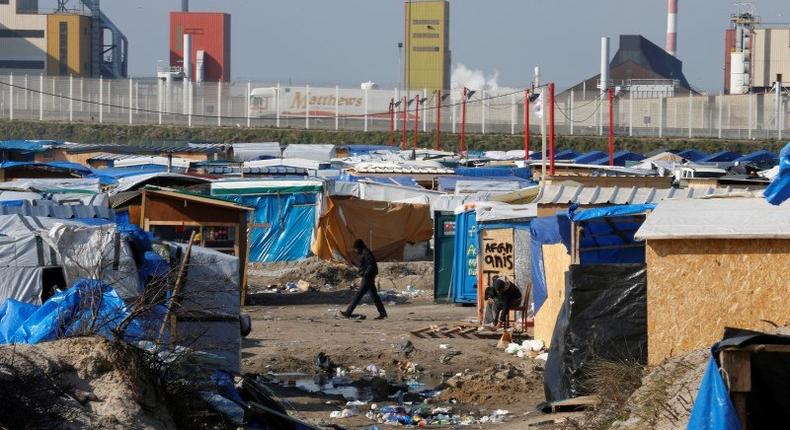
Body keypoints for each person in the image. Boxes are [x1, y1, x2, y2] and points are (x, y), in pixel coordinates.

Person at [340, 239, 388, 320]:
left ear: (359, 247)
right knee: (375, 296)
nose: (355, 251)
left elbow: (371, 264)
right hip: (369, 277)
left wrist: (365, 273)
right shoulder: (365, 252)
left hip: (367, 277)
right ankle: (383, 313)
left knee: (358, 295)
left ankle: (348, 312)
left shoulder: (366, 253)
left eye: (356, 249)